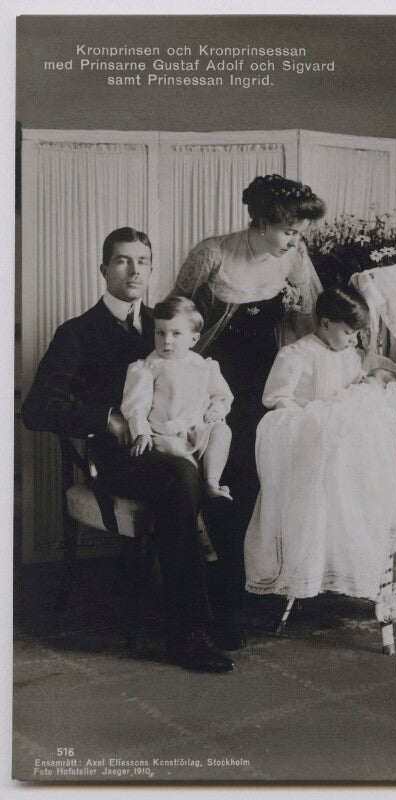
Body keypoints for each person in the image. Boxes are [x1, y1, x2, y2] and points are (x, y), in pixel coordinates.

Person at [21, 227, 237, 673]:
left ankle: (223, 609)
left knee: (217, 468)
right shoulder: (77, 332)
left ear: (152, 268)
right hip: (119, 459)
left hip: (177, 442)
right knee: (180, 477)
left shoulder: (168, 324)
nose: (134, 270)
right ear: (104, 269)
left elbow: (198, 380)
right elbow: (37, 409)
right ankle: (188, 632)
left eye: (143, 260)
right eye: (122, 260)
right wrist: (106, 417)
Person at [168, 174, 325, 627]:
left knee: (264, 476)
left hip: (265, 380)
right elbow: (176, 319)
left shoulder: (293, 256)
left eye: (299, 232)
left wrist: (298, 308)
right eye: (290, 230)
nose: (297, 241)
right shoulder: (212, 253)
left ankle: (258, 586)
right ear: (261, 220)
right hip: (213, 382)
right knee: (223, 481)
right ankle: (217, 596)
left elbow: (310, 316)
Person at [244, 287, 396, 602]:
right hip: (308, 438)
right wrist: (311, 423)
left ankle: (348, 565)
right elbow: (277, 399)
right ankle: (305, 572)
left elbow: (351, 389)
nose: (352, 340)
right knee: (314, 505)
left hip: (340, 441)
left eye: (356, 334)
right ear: (325, 323)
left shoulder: (347, 355)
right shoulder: (297, 354)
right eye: (347, 332)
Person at [121, 297, 233, 501]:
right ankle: (196, 515)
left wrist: (217, 408)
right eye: (160, 333)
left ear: (193, 338)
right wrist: (141, 433)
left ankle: (212, 481)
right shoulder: (148, 367)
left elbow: (222, 394)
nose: (167, 341)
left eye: (176, 334)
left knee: (223, 431)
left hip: (198, 428)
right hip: (166, 433)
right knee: (186, 474)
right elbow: (137, 406)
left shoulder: (203, 365)